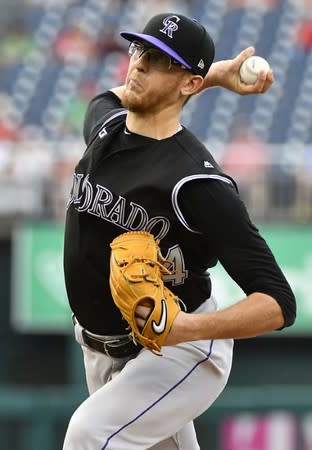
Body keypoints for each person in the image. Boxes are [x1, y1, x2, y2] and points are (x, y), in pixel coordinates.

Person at [62, 12, 296, 450]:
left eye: (161, 60)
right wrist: (217, 74)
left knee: (90, 436)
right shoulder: (105, 128)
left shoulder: (198, 183)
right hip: (102, 352)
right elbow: (113, 97)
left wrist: (183, 327)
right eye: (140, 50)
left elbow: (279, 302)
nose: (142, 65)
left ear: (187, 82)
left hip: (180, 352)